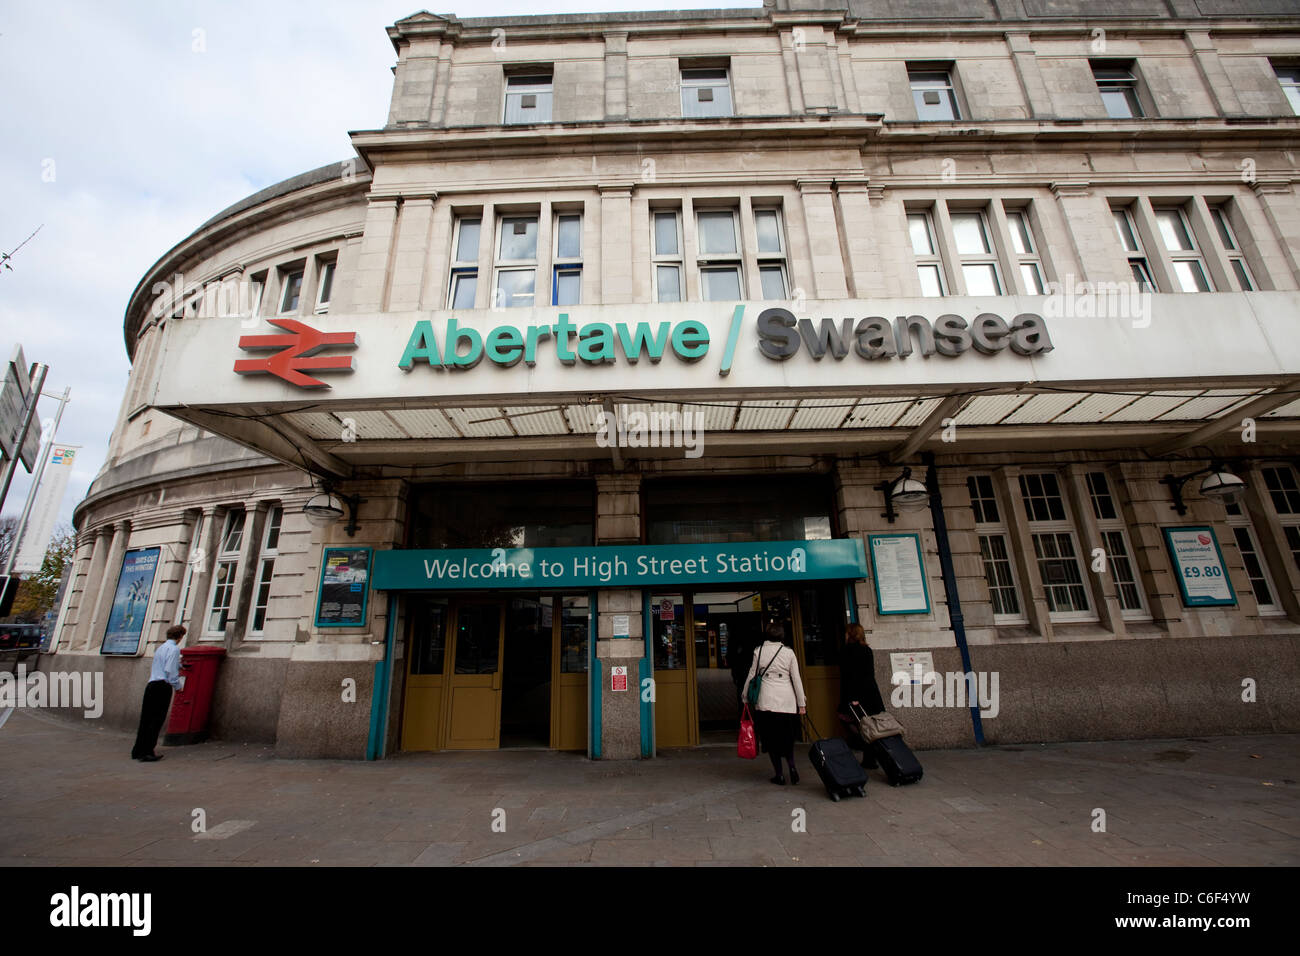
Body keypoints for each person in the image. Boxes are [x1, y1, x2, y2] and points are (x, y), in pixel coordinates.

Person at [741, 622, 806, 785]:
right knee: (787, 738)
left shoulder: (759, 651)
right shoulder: (789, 652)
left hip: (766, 700)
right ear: (781, 636)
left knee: (770, 740)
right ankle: (792, 767)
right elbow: (796, 678)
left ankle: (779, 775)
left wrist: (745, 695)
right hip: (786, 700)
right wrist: (801, 703)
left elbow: (752, 674)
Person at [131, 624, 186, 761]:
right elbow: (170, 670)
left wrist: (179, 665)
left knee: (146, 719)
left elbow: (163, 664)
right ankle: (148, 752)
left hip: (151, 685)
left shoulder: (161, 648)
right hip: (162, 687)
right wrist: (178, 686)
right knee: (156, 720)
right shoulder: (174, 649)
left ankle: (138, 750)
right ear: (180, 636)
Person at [838, 622, 886, 768]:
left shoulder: (846, 651)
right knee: (868, 725)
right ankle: (869, 756)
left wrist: (853, 698)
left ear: (849, 634)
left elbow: (849, 676)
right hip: (871, 693)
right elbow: (869, 674)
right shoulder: (867, 650)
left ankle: (864, 747)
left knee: (850, 721)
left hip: (855, 694)